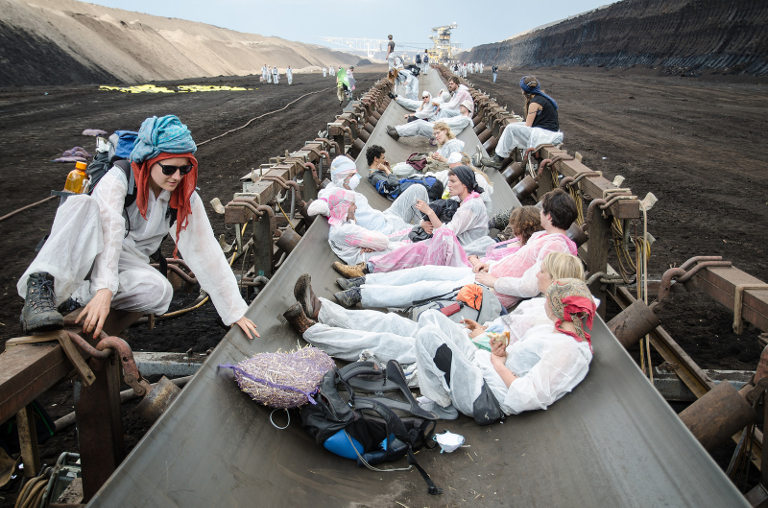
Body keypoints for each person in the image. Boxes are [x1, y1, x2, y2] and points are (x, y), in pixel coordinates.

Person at [17, 115, 259, 339]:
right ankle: (40, 292)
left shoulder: (183, 196)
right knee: (82, 205)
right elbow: (110, 233)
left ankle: (77, 297)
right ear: (149, 161)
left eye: (184, 169)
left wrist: (234, 312)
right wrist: (104, 289)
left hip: (127, 263)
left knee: (160, 292)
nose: (176, 177)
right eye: (168, 169)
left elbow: (204, 249)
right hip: (89, 252)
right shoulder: (118, 179)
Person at [283, 252, 585, 380]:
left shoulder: (553, 328)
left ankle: (312, 331)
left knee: (388, 343)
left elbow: (513, 360)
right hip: (473, 338)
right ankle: (323, 310)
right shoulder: (544, 309)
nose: (536, 273)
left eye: (542, 271)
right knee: (391, 323)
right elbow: (505, 335)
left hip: (473, 358)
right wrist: (484, 330)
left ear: (554, 280)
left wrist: (484, 339)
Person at [331, 188, 578, 310]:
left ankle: (361, 295)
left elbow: (529, 286)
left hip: (489, 290)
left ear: (549, 215)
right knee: (425, 272)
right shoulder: (545, 237)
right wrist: (488, 266)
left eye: (543, 210)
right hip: (483, 275)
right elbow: (517, 264)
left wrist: (492, 280)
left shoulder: (554, 246)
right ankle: (364, 283)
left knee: (425, 287)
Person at [415, 277, 595, 423]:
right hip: (485, 368)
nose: (545, 302)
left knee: (428, 335)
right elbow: (520, 362)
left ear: (556, 306)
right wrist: (501, 353)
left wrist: (498, 364)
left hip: (488, 395)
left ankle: (442, 405)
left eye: (548, 298)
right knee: (430, 317)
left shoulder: (567, 349)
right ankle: (438, 393)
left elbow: (527, 396)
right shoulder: (551, 329)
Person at [332, 165, 488, 277]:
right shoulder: (463, 200)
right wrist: (424, 222)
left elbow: (448, 233)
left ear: (464, 184)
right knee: (410, 237)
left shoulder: (472, 206)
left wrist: (429, 212)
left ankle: (367, 269)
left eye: (453, 181)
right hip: (445, 243)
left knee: (413, 247)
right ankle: (370, 260)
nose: (449, 185)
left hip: (457, 252)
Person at [320, 155, 427, 235]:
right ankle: (422, 233)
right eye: (352, 175)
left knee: (418, 189)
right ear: (341, 177)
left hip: (385, 218)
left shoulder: (342, 186)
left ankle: (422, 226)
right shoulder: (336, 197)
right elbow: (323, 203)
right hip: (385, 231)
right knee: (421, 229)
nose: (356, 177)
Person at [481, 75, 563, 169]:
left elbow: (528, 125)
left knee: (511, 128)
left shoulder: (534, 103)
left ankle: (498, 159)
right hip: (549, 132)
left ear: (524, 90)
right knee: (512, 126)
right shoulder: (542, 97)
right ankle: (499, 157)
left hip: (547, 135)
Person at [387, 101, 474, 140]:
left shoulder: (465, 119)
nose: (460, 107)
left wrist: (437, 122)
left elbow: (450, 124)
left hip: (443, 133)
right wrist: (438, 122)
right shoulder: (461, 117)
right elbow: (448, 120)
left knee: (420, 125)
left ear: (467, 109)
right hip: (441, 129)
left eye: (463, 106)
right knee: (419, 122)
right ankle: (397, 129)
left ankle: (397, 133)